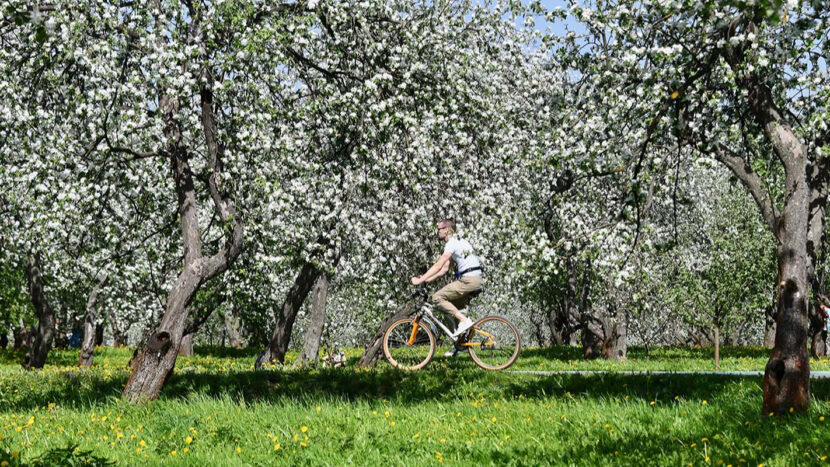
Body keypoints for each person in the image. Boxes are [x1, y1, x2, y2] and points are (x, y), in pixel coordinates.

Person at [411, 218, 482, 356]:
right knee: (448, 309)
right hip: (475, 279)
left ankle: (464, 321)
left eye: (439, 229)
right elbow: (444, 269)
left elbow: (438, 265)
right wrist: (427, 280)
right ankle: (459, 344)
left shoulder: (452, 243)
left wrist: (420, 279)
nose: (437, 232)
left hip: (468, 280)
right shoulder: (459, 241)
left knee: (437, 298)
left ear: (447, 230)